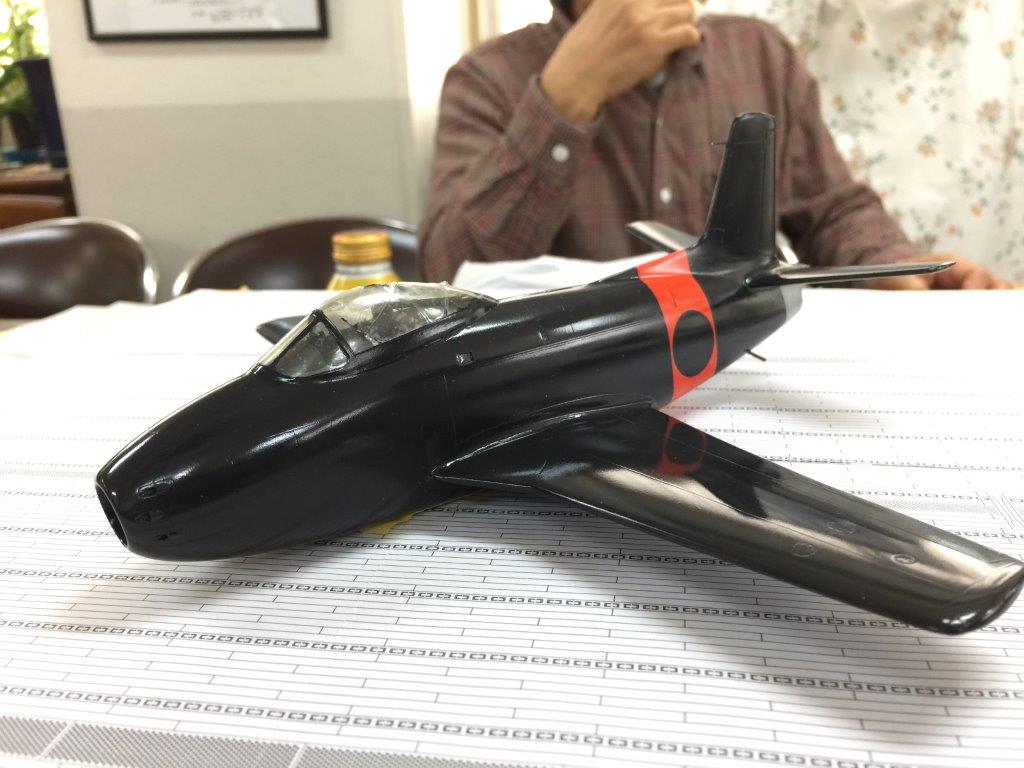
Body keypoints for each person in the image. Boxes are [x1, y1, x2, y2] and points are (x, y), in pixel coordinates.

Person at [418, 0, 1014, 289]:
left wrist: (901, 271)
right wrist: (564, 98)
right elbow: (451, 275)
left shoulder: (760, 54)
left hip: (746, 384)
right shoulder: (486, 78)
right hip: (567, 406)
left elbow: (833, 212)